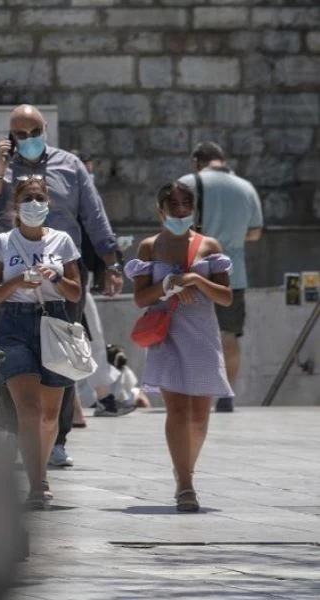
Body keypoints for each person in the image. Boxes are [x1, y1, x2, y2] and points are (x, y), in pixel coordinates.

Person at [0, 105, 124, 469]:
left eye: (33, 132)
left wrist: (111, 262)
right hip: (14, 277)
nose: (27, 140)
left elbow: (94, 214)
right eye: (19, 134)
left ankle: (57, 438)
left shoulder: (70, 166)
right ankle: (15, 430)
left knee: (63, 353)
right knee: (15, 359)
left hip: (62, 273)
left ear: (45, 129)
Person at [125, 182, 234, 512]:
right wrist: (168, 284)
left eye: (187, 204)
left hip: (201, 334)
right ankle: (185, 484)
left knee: (200, 415)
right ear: (160, 210)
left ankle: (184, 467)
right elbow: (141, 299)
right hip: (167, 333)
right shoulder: (149, 247)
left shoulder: (209, 246)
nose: (181, 210)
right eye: (173, 205)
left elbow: (226, 298)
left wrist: (198, 280)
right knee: (179, 409)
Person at [0, 176, 83, 510]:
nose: (34, 205)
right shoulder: (1, 243)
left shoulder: (63, 241)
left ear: (48, 203)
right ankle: (38, 483)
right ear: (16, 205)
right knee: (29, 407)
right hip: (15, 324)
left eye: (40, 198)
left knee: (50, 413)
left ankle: (40, 472)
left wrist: (56, 276)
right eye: (28, 199)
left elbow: (75, 292)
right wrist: (17, 282)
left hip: (54, 322)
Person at [178, 142, 262, 413]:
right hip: (232, 274)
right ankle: (226, 395)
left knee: (191, 332)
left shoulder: (186, 183)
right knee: (229, 334)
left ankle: (194, 389)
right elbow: (255, 232)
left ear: (196, 161)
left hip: (193, 270)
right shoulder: (245, 187)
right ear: (222, 159)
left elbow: (175, 228)